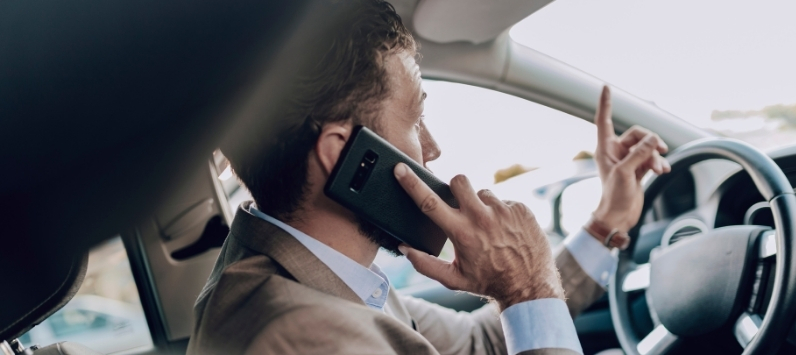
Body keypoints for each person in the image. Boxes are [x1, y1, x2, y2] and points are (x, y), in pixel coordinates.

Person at [187, 1, 670, 354]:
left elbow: (481, 341)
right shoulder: (312, 334)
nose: (433, 147)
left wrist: (603, 224)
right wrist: (528, 290)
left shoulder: (316, 275)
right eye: (415, 119)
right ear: (345, 156)